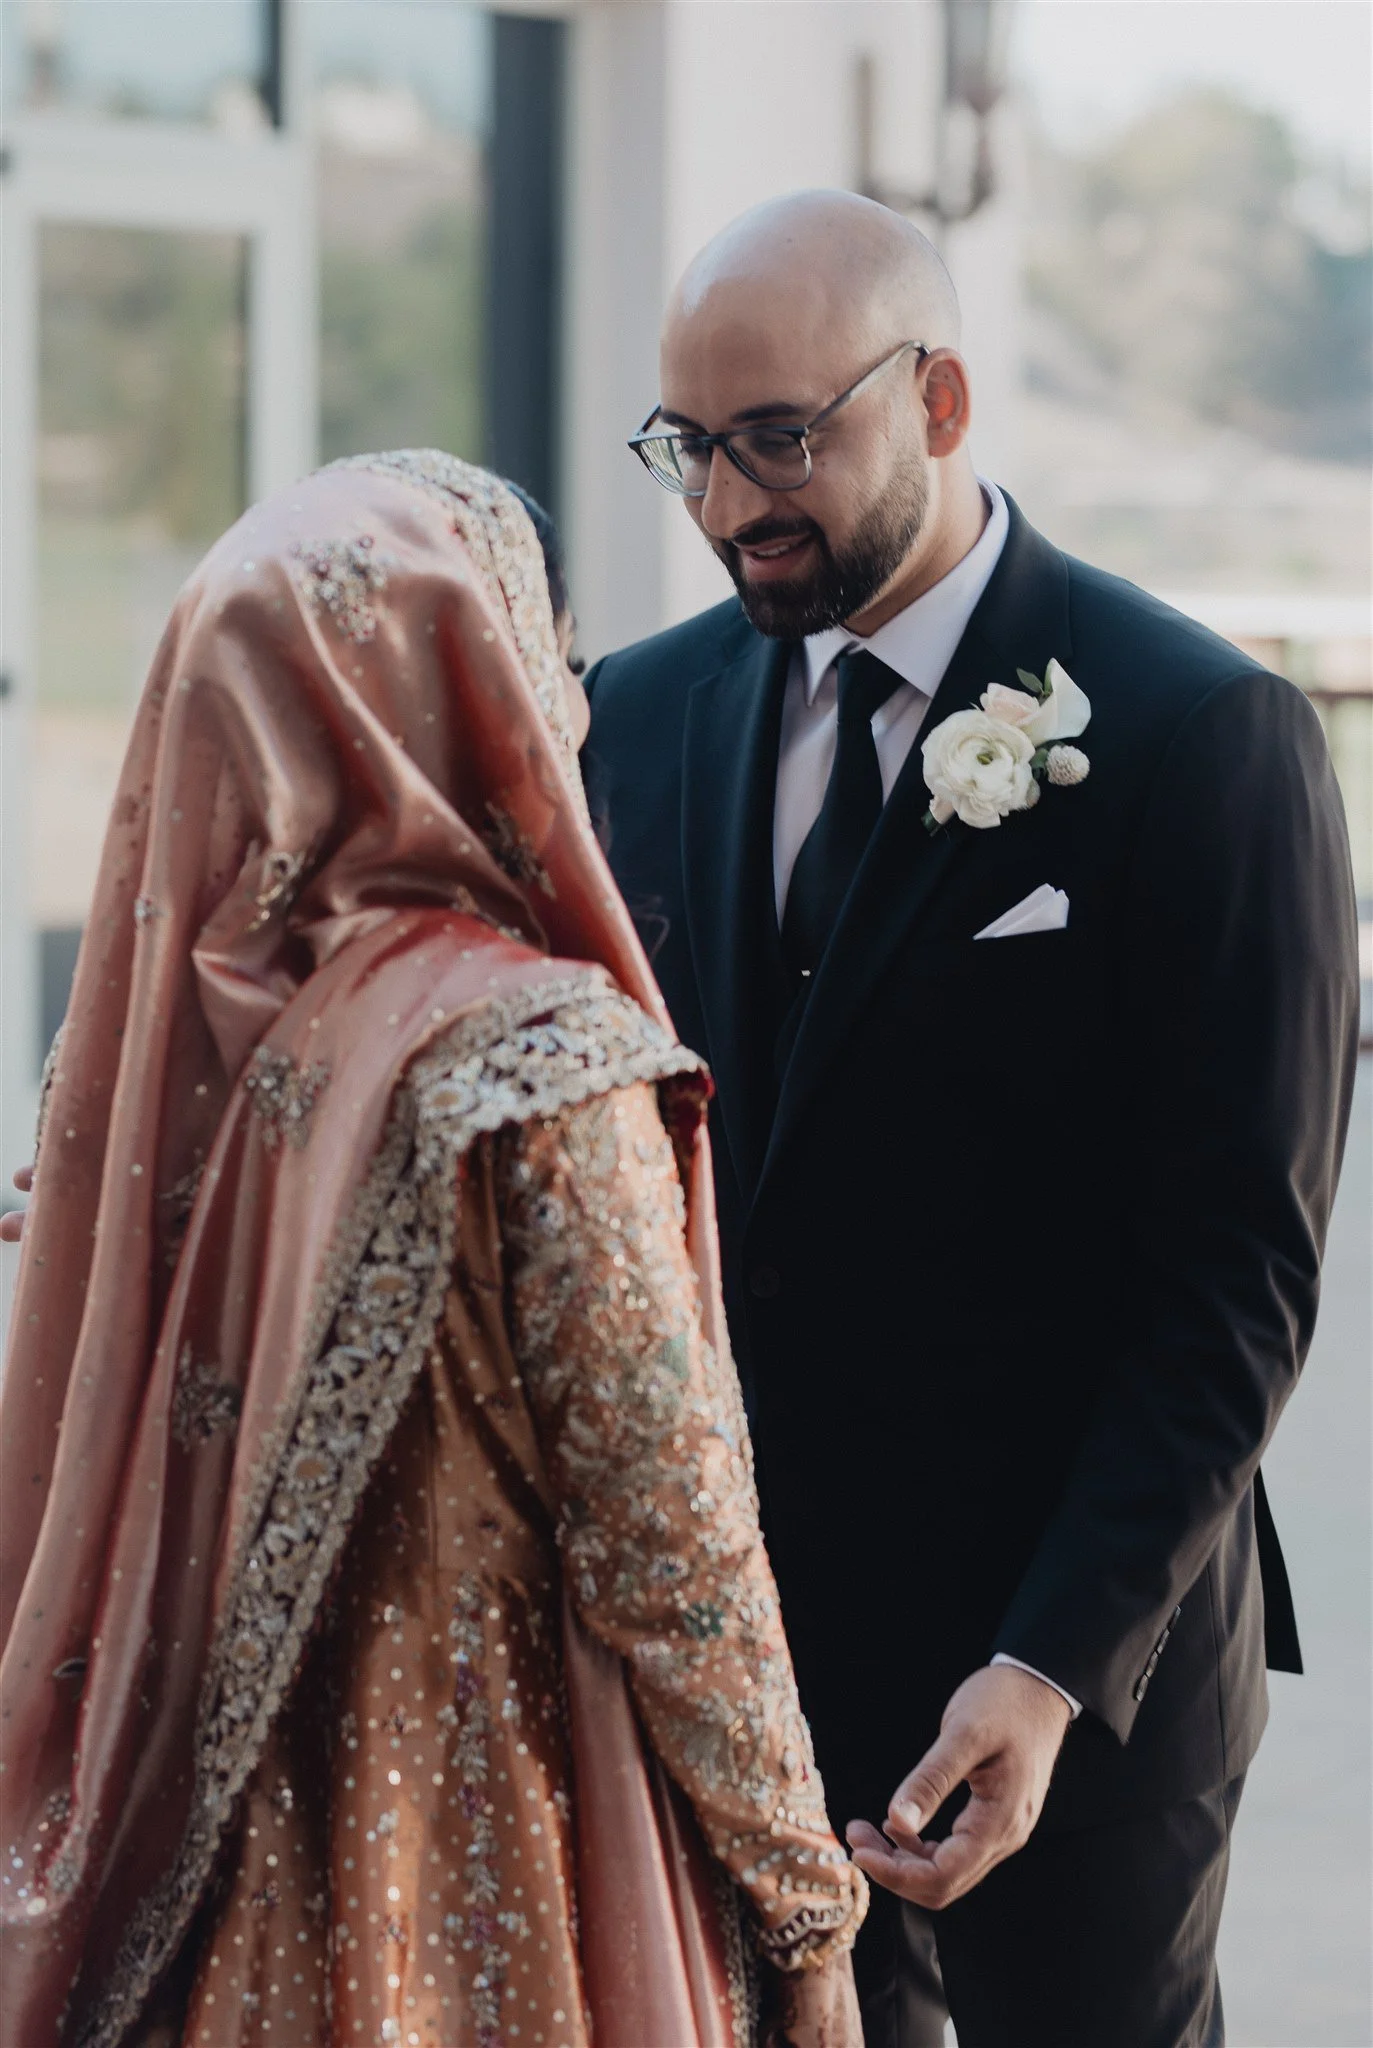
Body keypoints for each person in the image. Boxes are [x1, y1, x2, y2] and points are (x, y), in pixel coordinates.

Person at [582, 190, 1361, 2047]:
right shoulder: (632, 711)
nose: (730, 501)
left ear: (937, 401)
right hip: (743, 1660)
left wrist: (1045, 1669)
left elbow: (1236, 1275)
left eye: (782, 437)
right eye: (690, 446)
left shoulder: (1202, 734)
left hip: (1074, 1693)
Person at [0, 452, 867, 2048]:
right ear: (471, 684)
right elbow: (675, 1548)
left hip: (218, 1891)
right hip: (498, 1869)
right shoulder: (533, 1062)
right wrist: (808, 1905)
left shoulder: (172, 1066)